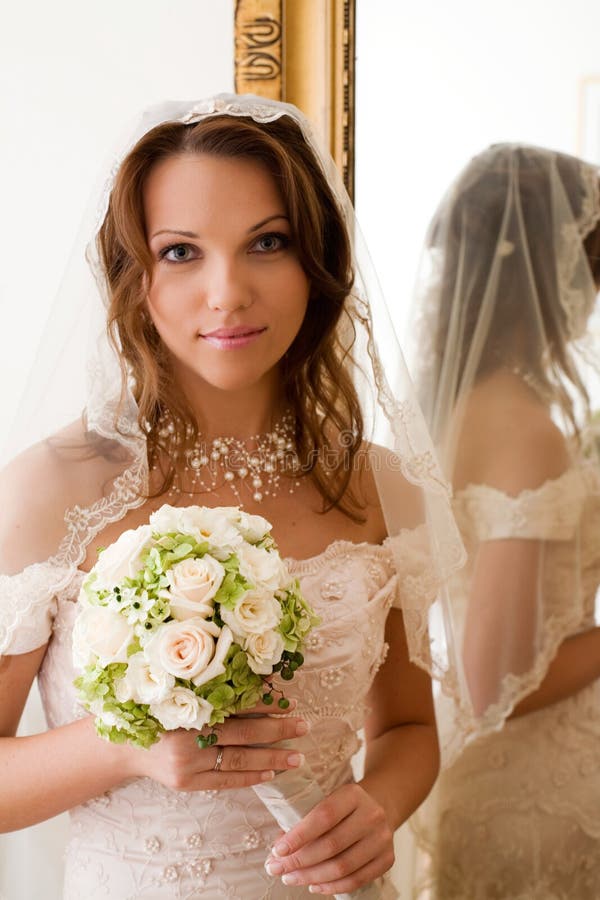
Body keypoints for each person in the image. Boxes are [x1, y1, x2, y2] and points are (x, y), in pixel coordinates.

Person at [0, 94, 463, 898]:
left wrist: (379, 806)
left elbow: (410, 728)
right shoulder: (54, 489)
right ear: (131, 275)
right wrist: (123, 745)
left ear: (316, 266)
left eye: (268, 243)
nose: (227, 293)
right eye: (181, 252)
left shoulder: (379, 485)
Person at [409, 143, 600, 898]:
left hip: (505, 780)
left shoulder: (460, 408)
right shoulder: (525, 426)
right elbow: (496, 686)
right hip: (539, 790)